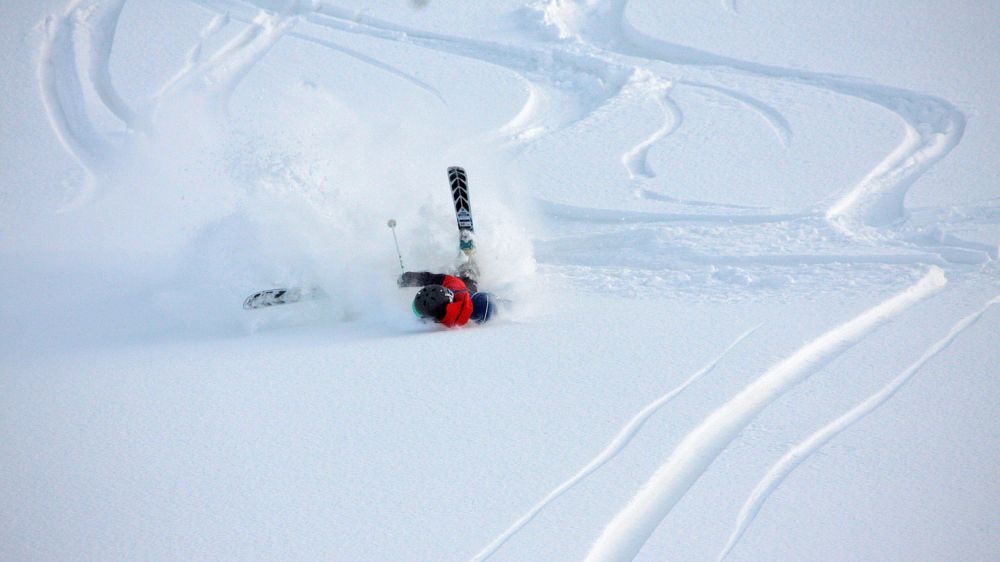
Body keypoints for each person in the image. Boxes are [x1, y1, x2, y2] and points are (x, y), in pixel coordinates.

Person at [398, 262, 497, 327]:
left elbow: (502, 308)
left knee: (467, 270)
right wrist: (412, 278)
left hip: (468, 285)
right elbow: (435, 279)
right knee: (462, 273)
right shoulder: (452, 288)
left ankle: (467, 251)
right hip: (461, 286)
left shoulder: (481, 306)